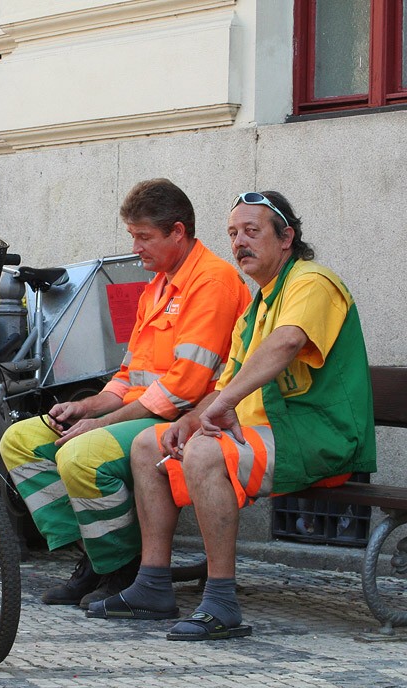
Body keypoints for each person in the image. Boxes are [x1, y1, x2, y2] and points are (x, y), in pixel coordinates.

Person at [89, 191, 375, 640]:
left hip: (319, 437)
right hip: (269, 433)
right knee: (151, 444)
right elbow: (226, 384)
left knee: (204, 453)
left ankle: (221, 600)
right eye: (233, 234)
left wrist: (218, 408)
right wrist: (187, 419)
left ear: (286, 238)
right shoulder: (258, 303)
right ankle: (152, 584)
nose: (239, 242)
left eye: (252, 231)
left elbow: (285, 344)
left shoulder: (312, 282)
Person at [0, 179, 250, 608]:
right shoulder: (155, 286)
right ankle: (96, 558)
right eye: (132, 236)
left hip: (185, 419)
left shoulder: (213, 282)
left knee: (82, 454)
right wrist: (85, 406)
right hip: (145, 414)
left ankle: (123, 567)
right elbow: (129, 374)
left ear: (177, 231)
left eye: (144, 237)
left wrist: (100, 423)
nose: (135, 247)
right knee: (19, 442)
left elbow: (184, 388)